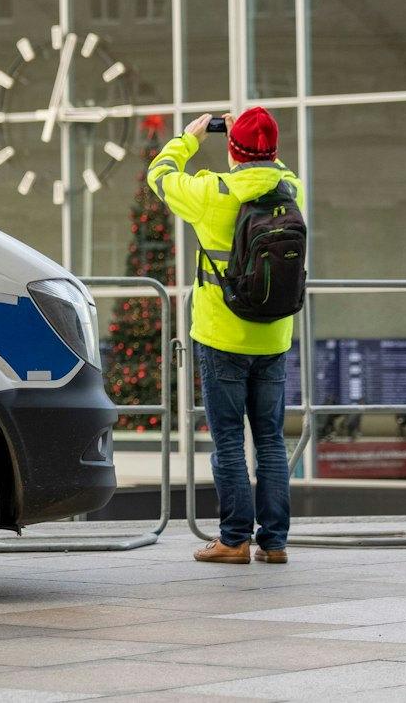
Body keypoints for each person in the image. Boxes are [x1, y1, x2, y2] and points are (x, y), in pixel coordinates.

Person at [148, 106, 301, 564]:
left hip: (221, 337)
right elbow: (273, 167)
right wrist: (253, 142)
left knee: (229, 441)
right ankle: (275, 543)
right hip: (273, 336)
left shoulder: (210, 192)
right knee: (271, 441)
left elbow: (159, 174)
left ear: (233, 150)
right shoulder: (291, 189)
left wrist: (190, 138)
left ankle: (234, 541)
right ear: (273, 151)